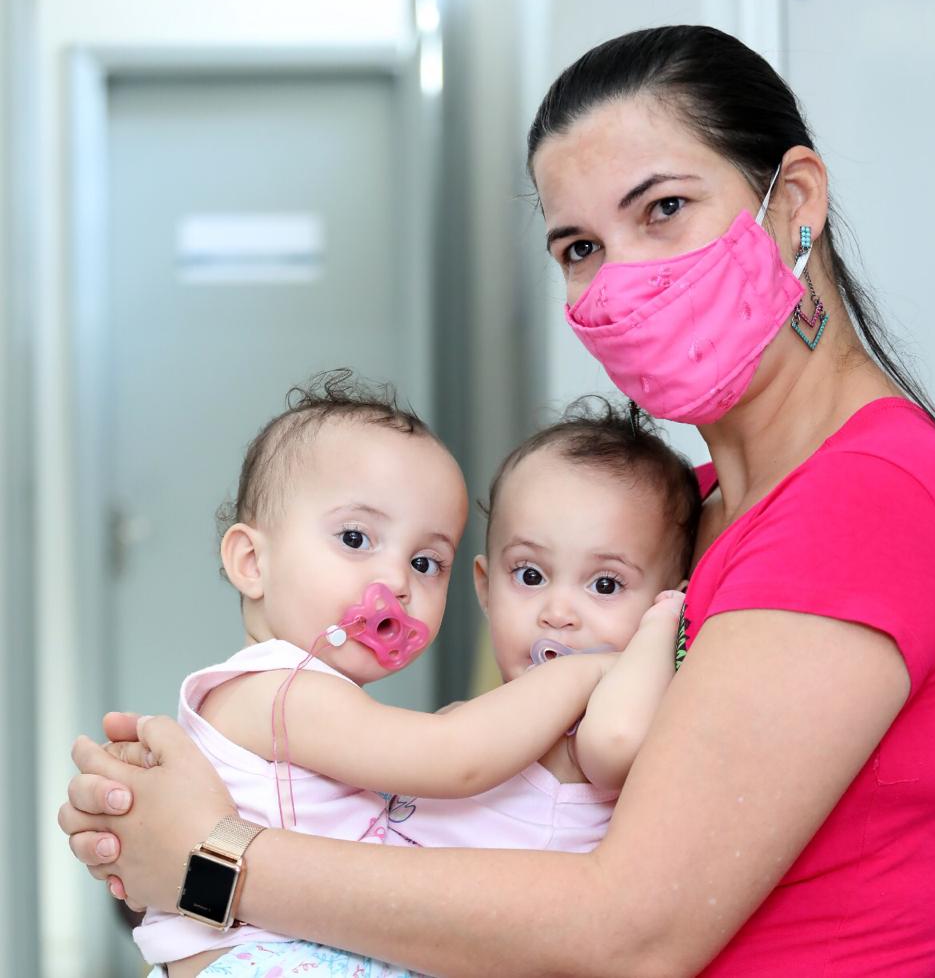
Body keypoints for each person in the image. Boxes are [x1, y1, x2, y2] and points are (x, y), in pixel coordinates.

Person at [60, 25, 935, 976]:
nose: (621, 279)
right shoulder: (673, 518)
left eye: (664, 209)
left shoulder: (867, 502)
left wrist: (216, 862)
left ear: (794, 202)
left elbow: (629, 932)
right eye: (579, 247)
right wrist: (192, 803)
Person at [133, 372, 698, 978]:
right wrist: (593, 670)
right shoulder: (278, 690)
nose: (397, 582)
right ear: (251, 561)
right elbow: (454, 756)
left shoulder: (320, 702)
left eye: (425, 562)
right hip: (265, 959)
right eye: (356, 538)